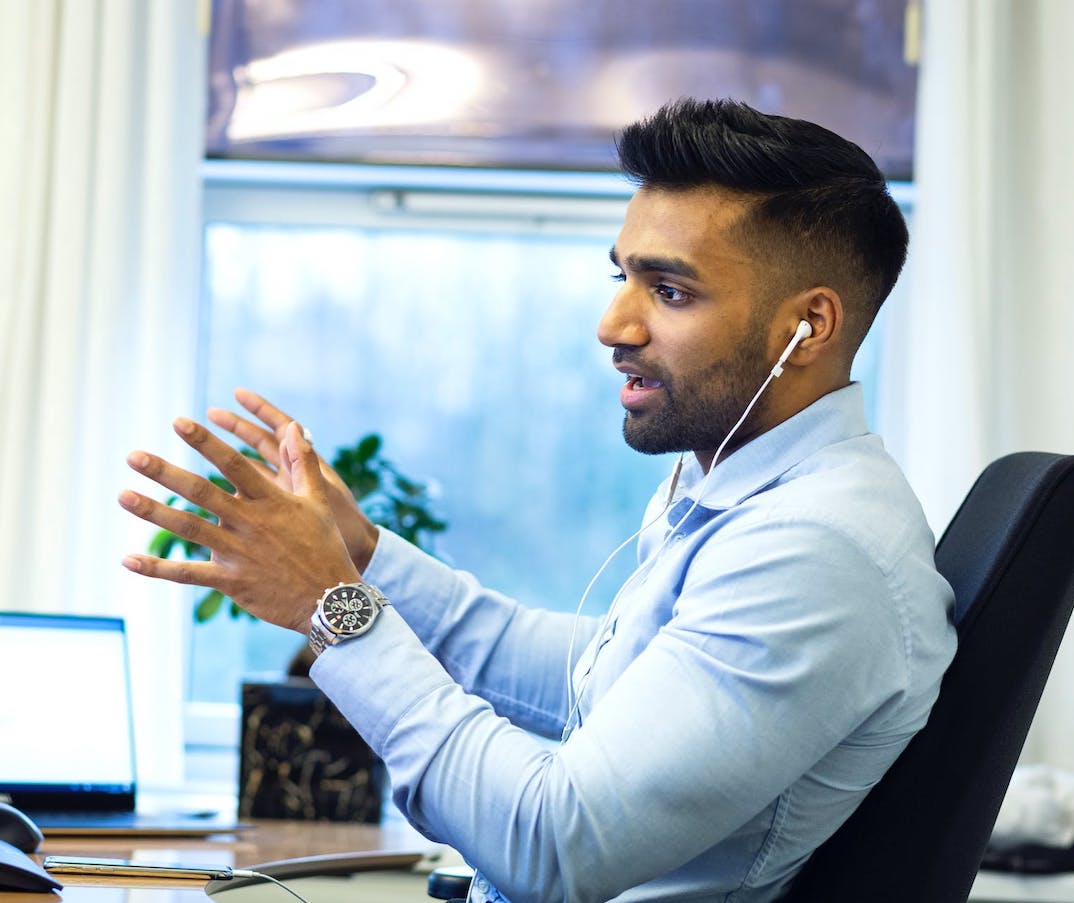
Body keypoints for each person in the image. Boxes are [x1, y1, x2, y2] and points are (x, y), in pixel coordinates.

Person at [116, 98, 957, 902]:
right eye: (622, 277)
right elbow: (596, 679)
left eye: (668, 291)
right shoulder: (751, 493)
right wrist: (367, 556)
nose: (613, 325)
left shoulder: (814, 550)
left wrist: (330, 605)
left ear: (806, 327)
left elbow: (552, 845)